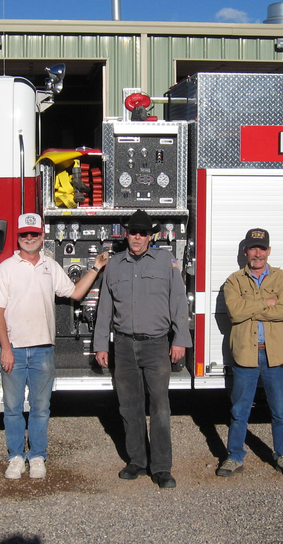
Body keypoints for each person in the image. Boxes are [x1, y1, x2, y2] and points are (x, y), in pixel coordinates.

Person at [0, 213, 110, 479]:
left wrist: (95, 267)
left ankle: (37, 457)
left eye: (34, 234)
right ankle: (14, 457)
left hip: (44, 349)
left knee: (41, 408)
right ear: (18, 237)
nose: (30, 238)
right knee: (12, 408)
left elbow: (76, 293)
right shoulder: (6, 268)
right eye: (25, 234)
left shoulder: (51, 266)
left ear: (42, 236)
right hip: (15, 349)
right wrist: (5, 348)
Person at [93, 209, 191, 489]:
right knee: (129, 407)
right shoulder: (114, 265)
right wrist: (101, 344)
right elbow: (105, 308)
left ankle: (161, 467)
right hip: (123, 345)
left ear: (152, 236)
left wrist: (180, 338)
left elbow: (178, 301)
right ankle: (137, 460)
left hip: (156, 345)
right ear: (126, 234)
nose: (137, 237)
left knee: (160, 407)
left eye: (143, 233)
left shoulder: (165, 262)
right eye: (133, 232)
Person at [217, 228, 283, 478]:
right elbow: (234, 313)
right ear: (245, 252)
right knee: (239, 411)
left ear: (269, 251)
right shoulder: (234, 281)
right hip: (245, 354)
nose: (257, 253)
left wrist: (250, 307)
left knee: (280, 411)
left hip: (274, 356)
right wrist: (267, 302)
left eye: (262, 248)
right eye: (253, 248)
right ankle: (234, 456)